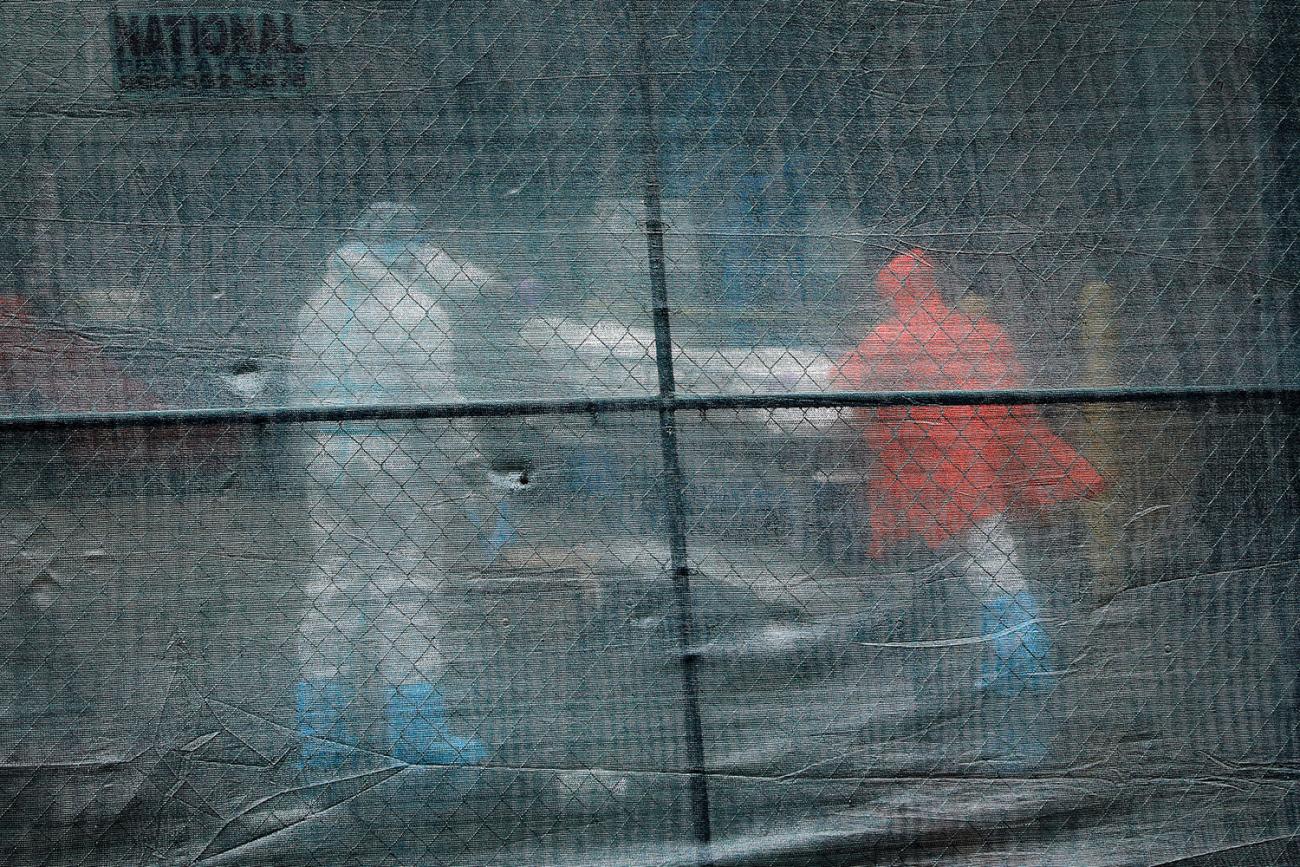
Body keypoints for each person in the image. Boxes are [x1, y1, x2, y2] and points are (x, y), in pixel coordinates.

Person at [831, 249, 1104, 763]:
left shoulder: (885, 340)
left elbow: (843, 397)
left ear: (889, 291)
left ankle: (966, 693)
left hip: (918, 488)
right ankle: (1018, 678)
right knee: (1000, 577)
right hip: (977, 480)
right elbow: (1014, 403)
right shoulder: (981, 333)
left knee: (939, 584)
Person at [288, 203, 492, 770]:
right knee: (404, 592)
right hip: (397, 472)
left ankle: (320, 740)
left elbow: (299, 385)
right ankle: (416, 734)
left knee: (329, 592)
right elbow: (441, 410)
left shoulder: (320, 304)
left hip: (329, 463)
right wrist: (471, 479)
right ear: (409, 247)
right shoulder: (415, 309)